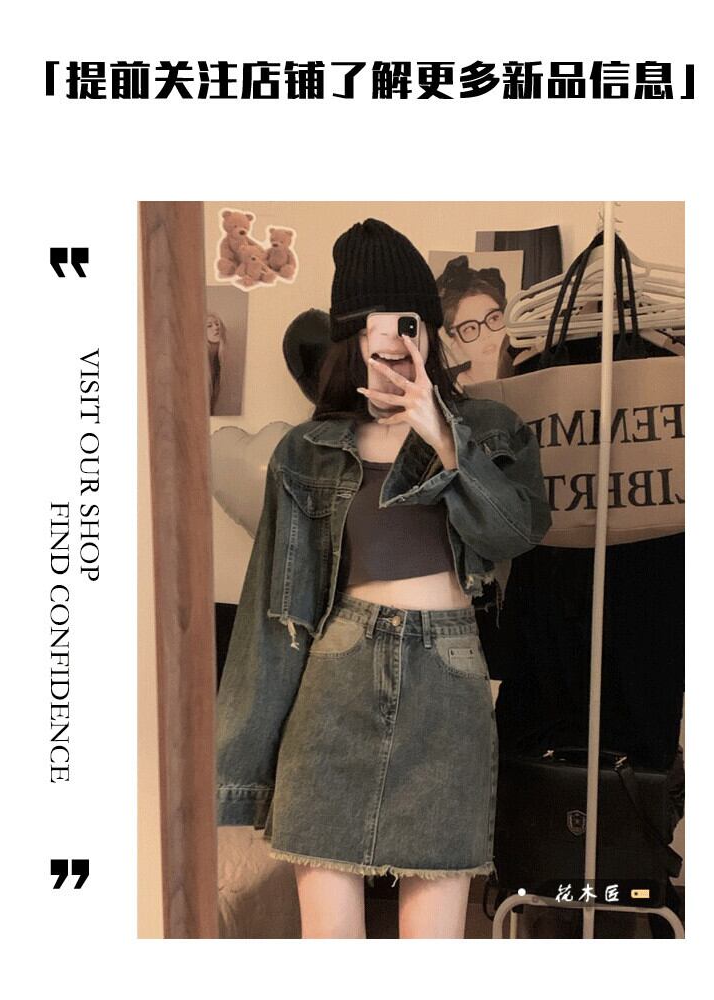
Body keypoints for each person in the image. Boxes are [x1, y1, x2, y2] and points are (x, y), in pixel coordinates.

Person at [216, 219, 551, 938]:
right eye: (373, 322)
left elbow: (515, 533)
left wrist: (442, 435)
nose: (392, 337)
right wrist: (237, 770)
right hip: (334, 679)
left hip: (448, 686)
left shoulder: (491, 429)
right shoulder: (307, 450)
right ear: (352, 337)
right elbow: (271, 615)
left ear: (428, 328)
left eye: (407, 320)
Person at [436, 254, 513, 386]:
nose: (486, 334)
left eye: (493, 318)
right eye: (470, 328)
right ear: (455, 343)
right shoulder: (442, 386)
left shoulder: (531, 371)